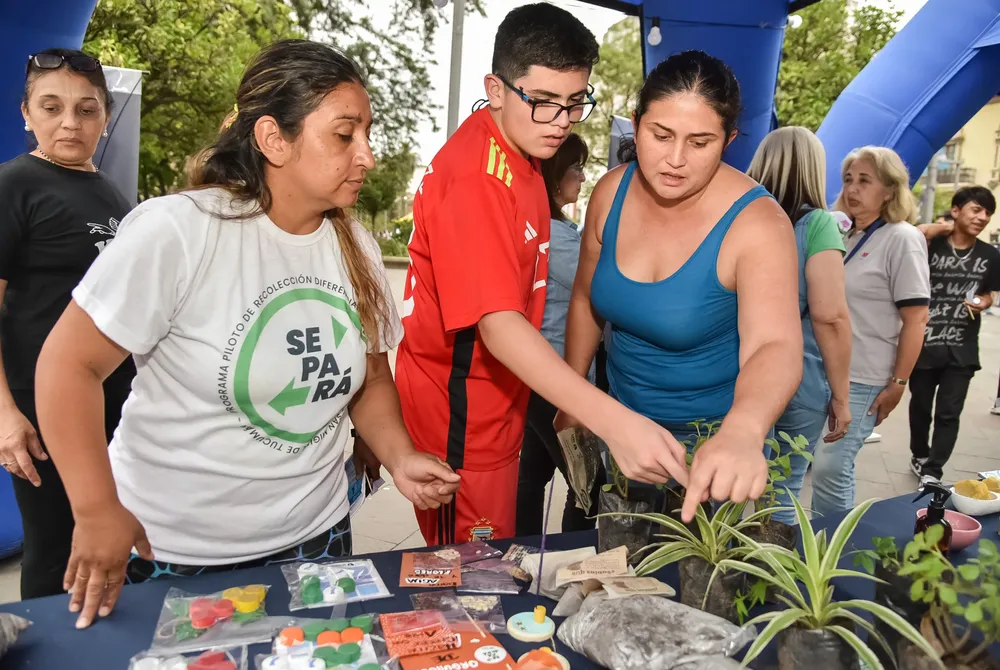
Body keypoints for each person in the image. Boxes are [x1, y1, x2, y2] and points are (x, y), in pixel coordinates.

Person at [33, 40, 460, 630]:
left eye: (367, 132)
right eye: (344, 135)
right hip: (176, 553)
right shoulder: (178, 231)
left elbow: (370, 378)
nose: (366, 154)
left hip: (318, 540)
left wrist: (400, 456)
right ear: (272, 139)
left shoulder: (356, 246)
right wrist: (95, 507)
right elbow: (66, 367)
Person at [393, 3, 690, 547]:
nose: (561, 121)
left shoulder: (523, 154)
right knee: (472, 571)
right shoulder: (477, 181)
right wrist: (612, 420)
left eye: (575, 102)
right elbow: (498, 324)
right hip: (462, 419)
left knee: (503, 553)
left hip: (498, 403)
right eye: (544, 102)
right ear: (497, 89)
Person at [562, 50, 803, 521]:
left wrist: (743, 430)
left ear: (728, 140)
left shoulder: (758, 223)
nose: (675, 160)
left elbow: (774, 344)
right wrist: (575, 399)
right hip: (622, 432)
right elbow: (585, 298)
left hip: (717, 451)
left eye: (700, 142)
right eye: (660, 135)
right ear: (636, 125)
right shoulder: (610, 193)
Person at [0, 48, 136, 600]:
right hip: (42, 409)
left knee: (109, 543)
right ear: (26, 114)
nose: (70, 123)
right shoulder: (14, 184)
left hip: (113, 402)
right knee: (57, 547)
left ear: (105, 117)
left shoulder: (110, 193)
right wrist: (4, 414)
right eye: (51, 107)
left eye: (86, 109)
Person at [811, 147, 930, 517]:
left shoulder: (902, 238)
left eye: (864, 181)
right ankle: (815, 539)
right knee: (812, 463)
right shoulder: (840, 233)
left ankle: (837, 545)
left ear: (890, 190)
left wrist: (898, 383)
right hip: (821, 369)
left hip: (865, 376)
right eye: (848, 179)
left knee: (831, 466)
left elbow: (917, 319)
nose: (852, 189)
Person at [746, 127, 852, 523]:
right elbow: (830, 315)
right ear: (813, 168)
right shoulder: (819, 225)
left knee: (722, 483)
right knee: (782, 487)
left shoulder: (735, 217)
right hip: (798, 375)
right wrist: (841, 396)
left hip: (731, 370)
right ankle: (771, 563)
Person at [514, 133, 604, 536]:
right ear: (553, 177)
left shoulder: (541, 227)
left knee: (532, 475)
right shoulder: (558, 237)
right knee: (588, 486)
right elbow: (601, 290)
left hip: (538, 373)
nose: (582, 178)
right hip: (559, 378)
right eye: (575, 169)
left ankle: (521, 553)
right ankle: (576, 561)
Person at [910, 186, 999, 486]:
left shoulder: (990, 255)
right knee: (920, 407)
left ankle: (933, 470)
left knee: (949, 413)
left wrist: (984, 302)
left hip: (962, 348)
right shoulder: (930, 246)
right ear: (957, 210)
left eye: (988, 213)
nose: (983, 217)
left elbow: (991, 293)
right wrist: (941, 227)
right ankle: (919, 454)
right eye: (976, 209)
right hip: (924, 344)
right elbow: (913, 233)